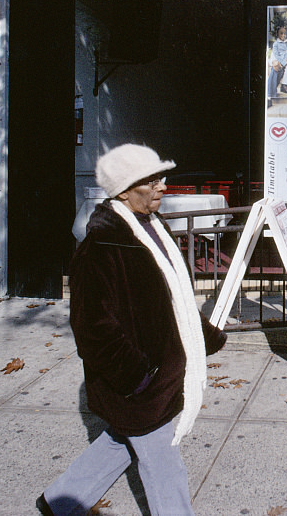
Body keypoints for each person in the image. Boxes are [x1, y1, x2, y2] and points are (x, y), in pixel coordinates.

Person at [38, 144, 227, 516]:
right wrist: (138, 378)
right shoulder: (101, 246)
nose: (162, 186)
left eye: (161, 178)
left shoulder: (152, 226)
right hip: (140, 384)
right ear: (124, 191)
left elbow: (172, 297)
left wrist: (202, 336)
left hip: (157, 373)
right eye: (151, 180)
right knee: (164, 464)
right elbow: (92, 328)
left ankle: (59, 501)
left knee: (121, 440)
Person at [267, 24, 287, 108]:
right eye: (281, 33)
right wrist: (281, 62)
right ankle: (269, 95)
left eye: (285, 33)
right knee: (274, 70)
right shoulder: (276, 44)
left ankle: (284, 84)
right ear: (277, 34)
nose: (283, 35)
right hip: (280, 61)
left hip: (286, 62)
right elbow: (276, 54)